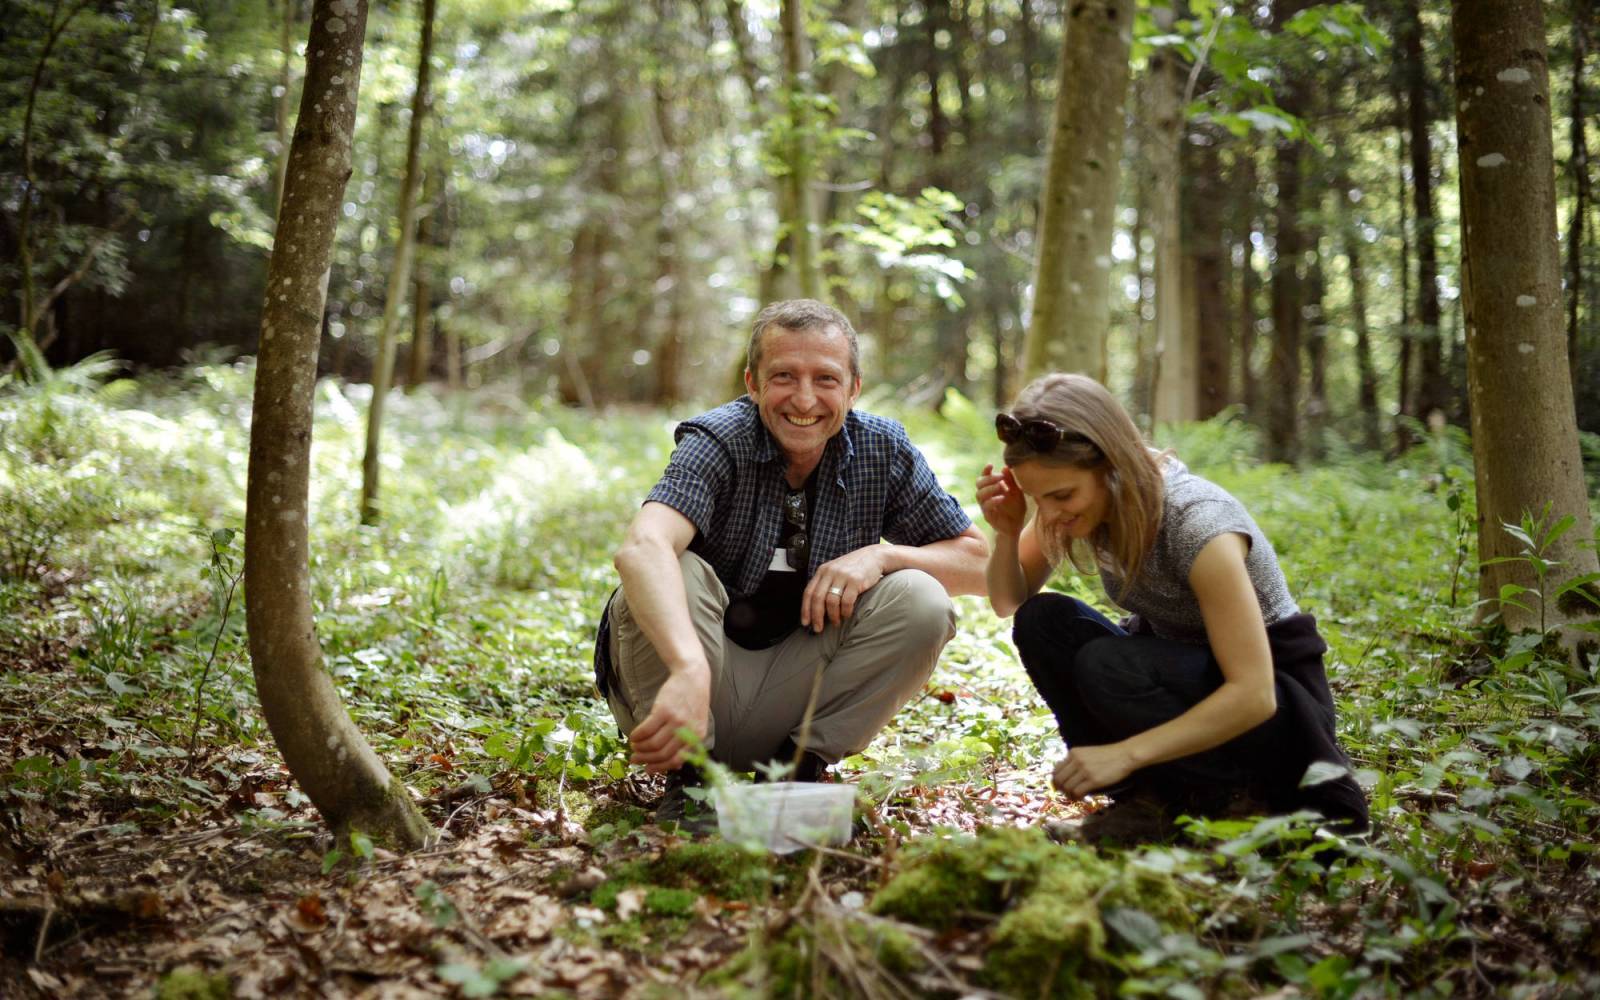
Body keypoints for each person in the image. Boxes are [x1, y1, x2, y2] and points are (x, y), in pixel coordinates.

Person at [595, 299, 988, 827]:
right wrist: (687, 666)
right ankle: (691, 785)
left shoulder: (881, 449)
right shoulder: (718, 439)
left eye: (825, 378)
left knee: (921, 594)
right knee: (676, 567)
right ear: (752, 383)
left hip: (793, 695)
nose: (805, 398)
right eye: (784, 376)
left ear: (853, 388)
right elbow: (641, 548)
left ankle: (792, 777)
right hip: (690, 697)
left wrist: (882, 555)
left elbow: (981, 565)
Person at [975, 373, 1368, 843]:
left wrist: (1125, 752)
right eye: (1039, 498)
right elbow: (1009, 602)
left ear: (1112, 466)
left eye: (1061, 496)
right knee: (1044, 622)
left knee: (1112, 664)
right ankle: (1154, 804)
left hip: (1278, 710)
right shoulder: (1081, 504)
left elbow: (1254, 693)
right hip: (1179, 678)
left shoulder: (1198, 523)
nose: (1052, 512)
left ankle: (1241, 804)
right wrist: (1005, 530)